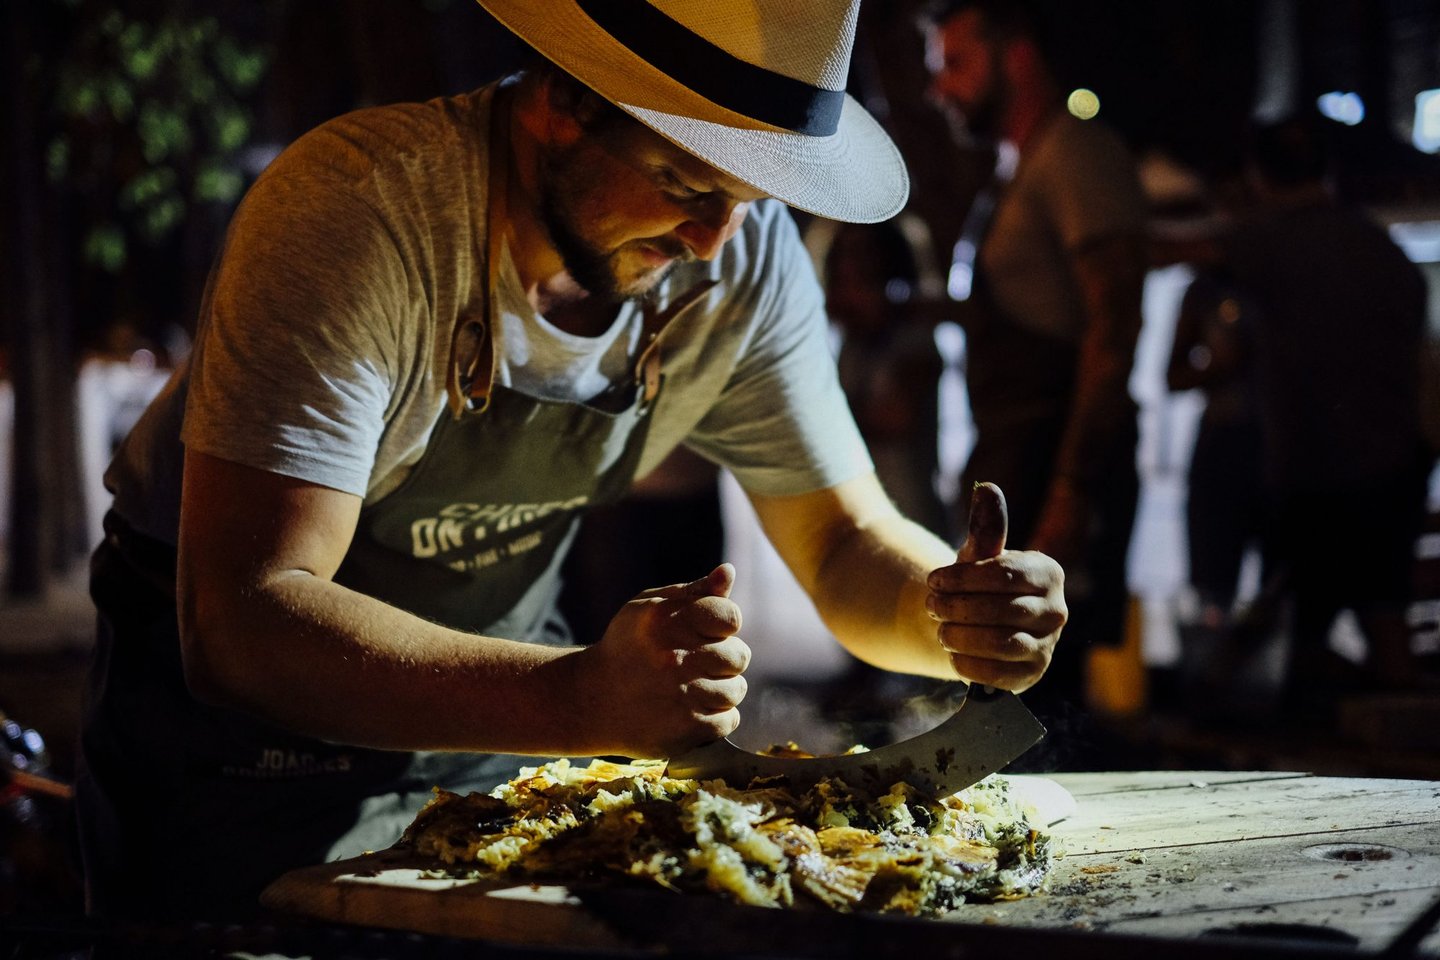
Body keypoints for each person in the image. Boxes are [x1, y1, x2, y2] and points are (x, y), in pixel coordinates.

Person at [76, 0, 1068, 922]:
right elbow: (246, 620)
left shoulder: (739, 260)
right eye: (685, 181)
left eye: (750, 195)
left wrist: (951, 613)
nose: (713, 240)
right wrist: (579, 699)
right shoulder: (359, 214)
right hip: (242, 762)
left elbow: (845, 543)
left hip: (495, 737)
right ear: (562, 101)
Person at [923, 0, 1146, 733]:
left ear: (1016, 56)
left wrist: (1071, 491)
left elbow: (1115, 325)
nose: (941, 88)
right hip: (1018, 458)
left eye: (957, 64)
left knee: (1053, 694)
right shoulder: (1018, 166)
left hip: (1056, 463)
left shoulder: (1076, 153)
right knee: (1009, 686)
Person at [1218, 117, 1431, 717]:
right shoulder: (1383, 251)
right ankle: (1402, 754)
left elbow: (1168, 250)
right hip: (1393, 461)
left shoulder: (1265, 244)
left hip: (1313, 468)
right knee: (1387, 621)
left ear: (1258, 176)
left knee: (1299, 638)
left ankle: (1316, 754)